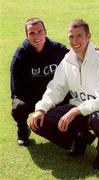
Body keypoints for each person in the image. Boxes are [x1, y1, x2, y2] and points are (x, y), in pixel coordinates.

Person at [29, 19, 99, 170]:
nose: (75, 41)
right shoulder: (67, 60)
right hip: (77, 110)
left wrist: (76, 110)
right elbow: (56, 88)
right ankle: (81, 139)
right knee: (38, 122)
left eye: (79, 36)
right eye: (71, 36)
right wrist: (41, 108)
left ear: (89, 36)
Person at [10, 18, 70, 146]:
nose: (37, 36)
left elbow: (76, 54)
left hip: (52, 95)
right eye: (32, 33)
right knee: (18, 106)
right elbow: (17, 89)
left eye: (40, 31)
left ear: (45, 32)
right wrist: (39, 103)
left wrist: (91, 50)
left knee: (70, 100)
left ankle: (69, 131)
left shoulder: (56, 49)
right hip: (31, 96)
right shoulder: (20, 55)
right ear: (27, 35)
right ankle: (23, 130)